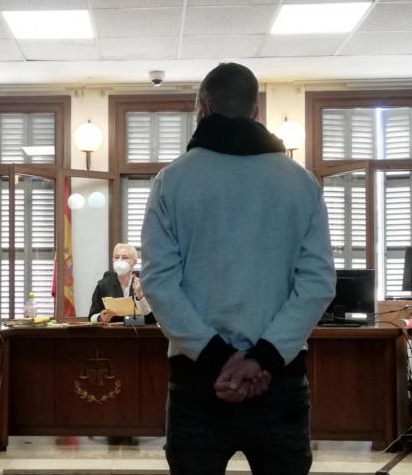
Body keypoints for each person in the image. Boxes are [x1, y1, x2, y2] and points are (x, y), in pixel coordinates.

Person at [141, 63, 336, 475]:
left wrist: (220, 359)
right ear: (256, 111)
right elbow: (317, 286)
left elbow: (158, 283)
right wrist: (260, 360)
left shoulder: (172, 181)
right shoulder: (301, 183)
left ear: (202, 108)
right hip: (278, 375)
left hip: (199, 377)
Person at [88, 243, 155, 324]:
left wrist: (140, 297)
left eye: (125, 258)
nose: (120, 260)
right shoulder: (103, 285)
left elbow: (153, 317)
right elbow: (92, 316)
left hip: (141, 330)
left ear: (134, 262)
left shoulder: (144, 283)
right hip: (113, 330)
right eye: (116, 257)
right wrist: (100, 318)